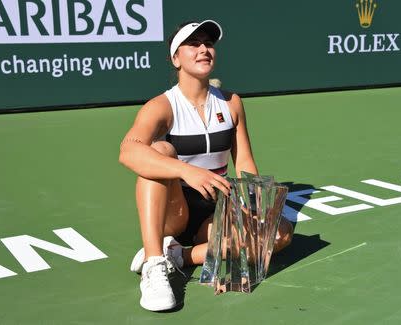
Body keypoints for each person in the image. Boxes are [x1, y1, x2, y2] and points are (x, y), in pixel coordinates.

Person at [119, 20, 293, 312]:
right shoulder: (162, 106)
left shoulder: (232, 102)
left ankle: (180, 257)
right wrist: (187, 171)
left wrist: (253, 202)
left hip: (213, 211)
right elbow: (128, 151)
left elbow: (245, 161)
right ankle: (154, 262)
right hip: (175, 210)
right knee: (159, 151)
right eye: (193, 44)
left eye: (208, 44)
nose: (203, 49)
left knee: (280, 234)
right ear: (176, 58)